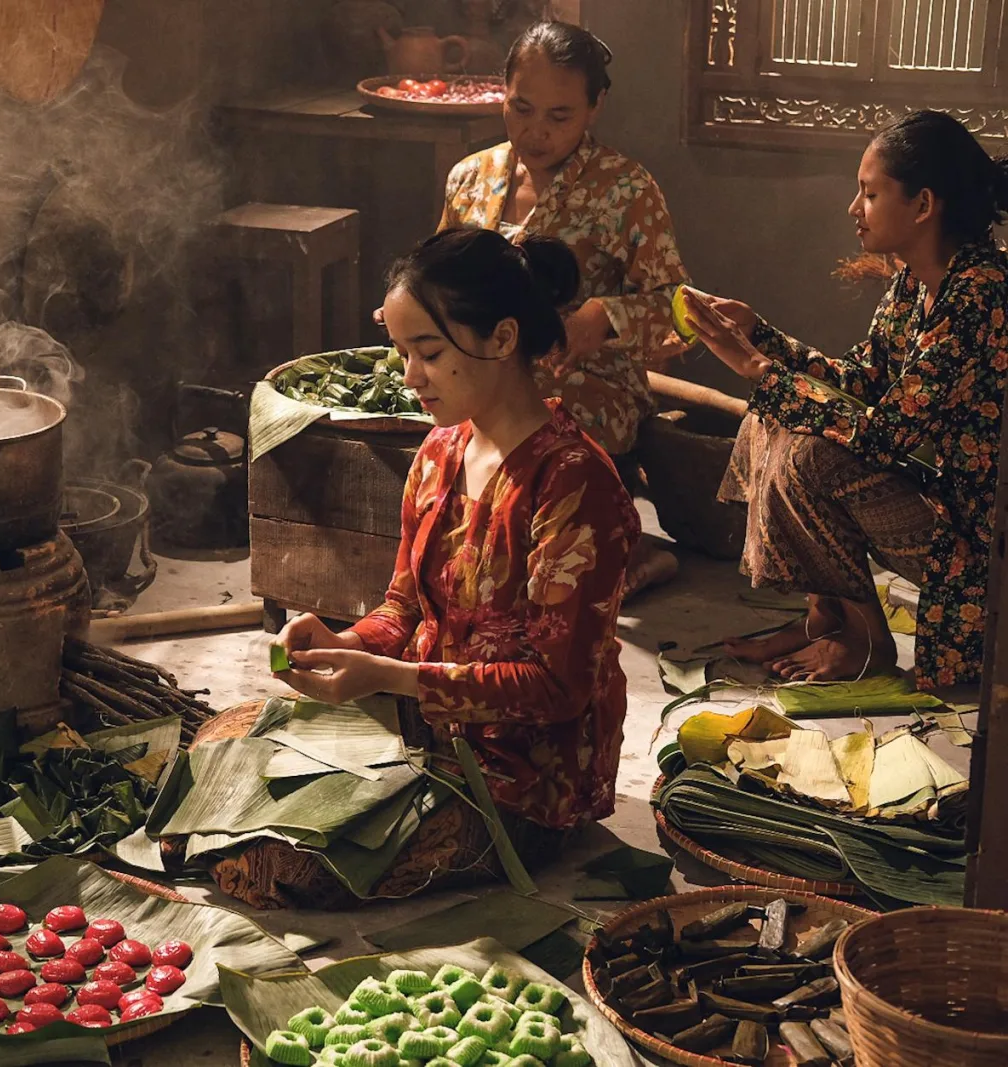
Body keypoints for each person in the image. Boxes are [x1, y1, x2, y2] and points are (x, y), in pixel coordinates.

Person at [201, 227, 638, 910]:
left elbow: (558, 688)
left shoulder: (574, 483)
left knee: (281, 860)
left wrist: (391, 678)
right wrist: (346, 645)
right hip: (418, 735)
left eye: (428, 353)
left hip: (518, 784)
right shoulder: (438, 451)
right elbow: (405, 609)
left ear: (501, 338)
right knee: (215, 747)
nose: (409, 377)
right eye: (402, 353)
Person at [682, 110, 1008, 689]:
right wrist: (762, 337)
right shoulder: (916, 281)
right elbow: (859, 381)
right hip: (944, 506)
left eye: (870, 192)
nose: (853, 209)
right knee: (773, 419)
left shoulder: (981, 294)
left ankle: (863, 643)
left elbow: (882, 434)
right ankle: (827, 621)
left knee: (812, 454)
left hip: (981, 539)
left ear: (923, 205)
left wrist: (759, 369)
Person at [437, 20, 689, 598]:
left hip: (585, 383)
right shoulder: (470, 176)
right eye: (520, 108)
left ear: (595, 107)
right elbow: (441, 277)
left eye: (559, 116)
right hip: (480, 370)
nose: (535, 132)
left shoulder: (625, 189)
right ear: (502, 91)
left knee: (536, 430)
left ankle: (621, 551)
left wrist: (602, 319)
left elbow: (679, 312)